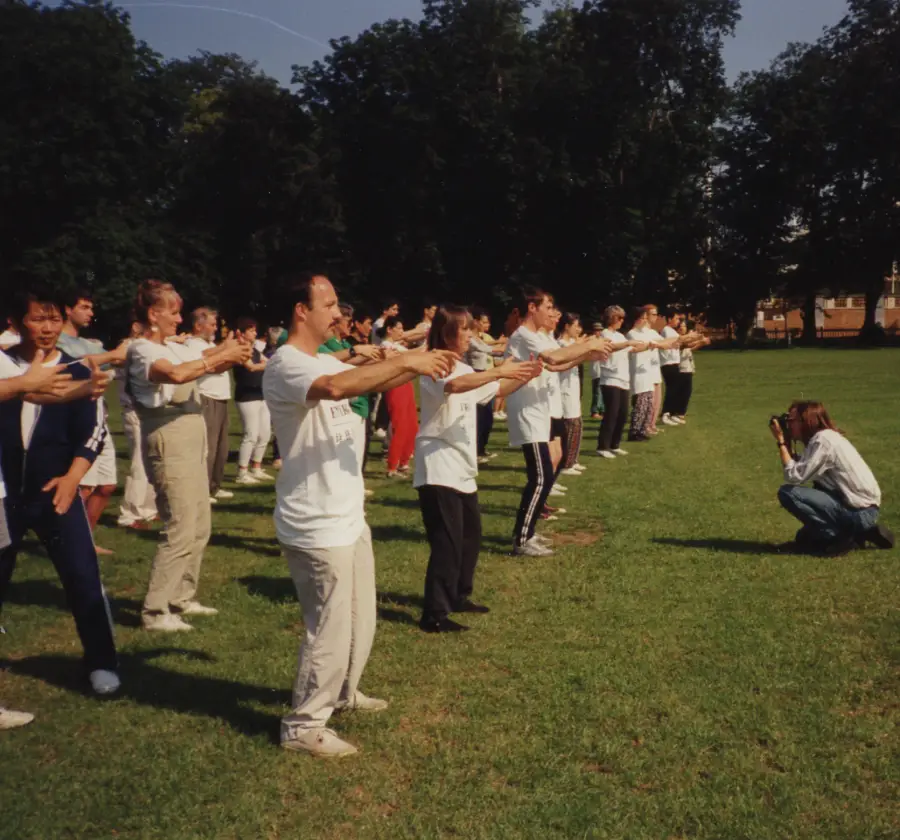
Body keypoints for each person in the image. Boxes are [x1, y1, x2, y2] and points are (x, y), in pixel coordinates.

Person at [263, 270, 455, 757]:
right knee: (328, 626)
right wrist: (410, 359)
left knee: (358, 618)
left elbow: (356, 371)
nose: (338, 312)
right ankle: (303, 725)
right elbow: (335, 387)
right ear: (300, 311)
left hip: (347, 512)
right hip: (316, 521)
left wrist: (410, 364)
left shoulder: (319, 355)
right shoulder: (288, 363)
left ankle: (344, 693)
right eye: (328, 304)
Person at [0, 287, 120, 695]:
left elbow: (95, 431)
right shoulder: (4, 368)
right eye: (37, 318)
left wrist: (73, 478)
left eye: (53, 319)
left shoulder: (79, 369)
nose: (47, 328)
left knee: (83, 576)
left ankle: (102, 662)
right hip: (5, 498)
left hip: (57, 491)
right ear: (16, 322)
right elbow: (27, 393)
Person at [126, 281, 250, 631]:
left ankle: (181, 596)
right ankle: (155, 610)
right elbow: (178, 374)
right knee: (180, 526)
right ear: (154, 314)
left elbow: (201, 362)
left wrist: (226, 352)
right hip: (170, 439)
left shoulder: (169, 346)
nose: (179, 319)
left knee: (199, 524)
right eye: (174, 312)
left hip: (192, 438)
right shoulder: (142, 351)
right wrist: (223, 355)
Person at [415, 305, 542, 633]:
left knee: (471, 536)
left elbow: (493, 391)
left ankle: (459, 594)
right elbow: (455, 387)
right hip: (438, 463)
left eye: (472, 329)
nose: (470, 335)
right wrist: (498, 370)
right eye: (465, 330)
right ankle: (435, 614)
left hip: (461, 466)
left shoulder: (462, 366)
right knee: (447, 540)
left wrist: (524, 374)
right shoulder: (435, 363)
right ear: (446, 333)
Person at [504, 288, 610, 557]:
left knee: (544, 475)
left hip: (538, 410)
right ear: (532, 307)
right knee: (541, 477)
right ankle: (521, 538)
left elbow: (554, 365)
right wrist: (589, 346)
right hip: (527, 411)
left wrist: (586, 354)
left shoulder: (535, 337)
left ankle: (526, 533)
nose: (552, 312)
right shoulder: (524, 336)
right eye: (547, 306)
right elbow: (553, 358)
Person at [58, 291, 130, 554]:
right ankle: (69, 541)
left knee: (107, 484)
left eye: (91, 308)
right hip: (78, 419)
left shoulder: (89, 343)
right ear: (68, 309)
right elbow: (76, 365)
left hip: (101, 417)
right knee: (85, 485)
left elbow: (117, 357)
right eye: (84, 307)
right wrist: (112, 356)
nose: (90, 313)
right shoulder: (58, 340)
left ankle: (85, 540)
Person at [771, 401, 894, 555]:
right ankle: (861, 533)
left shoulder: (824, 441)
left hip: (858, 511)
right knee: (803, 537)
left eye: (791, 421)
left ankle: (838, 538)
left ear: (806, 421)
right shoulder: (825, 438)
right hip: (859, 507)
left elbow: (794, 475)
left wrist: (781, 442)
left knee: (788, 493)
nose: (788, 425)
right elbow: (803, 466)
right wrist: (787, 444)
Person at [185, 308, 234, 503]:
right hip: (207, 397)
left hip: (221, 398)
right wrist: (228, 348)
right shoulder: (192, 343)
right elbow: (206, 359)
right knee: (209, 447)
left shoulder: (211, 344)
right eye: (212, 324)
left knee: (222, 447)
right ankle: (202, 490)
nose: (215, 328)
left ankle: (215, 485)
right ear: (198, 325)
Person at [116, 321, 158, 528]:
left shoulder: (145, 348)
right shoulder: (128, 347)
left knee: (150, 460)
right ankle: (129, 513)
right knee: (138, 462)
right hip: (133, 409)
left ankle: (148, 508)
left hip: (146, 410)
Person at [596, 306, 643, 457]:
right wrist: (628, 343)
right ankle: (603, 446)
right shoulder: (605, 333)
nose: (622, 321)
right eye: (620, 318)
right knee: (612, 412)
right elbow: (611, 347)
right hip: (610, 378)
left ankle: (615, 444)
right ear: (613, 318)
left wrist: (647, 345)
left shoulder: (620, 336)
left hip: (623, 378)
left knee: (623, 413)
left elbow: (629, 348)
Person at [232, 316, 273, 486]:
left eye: (255, 330)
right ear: (241, 333)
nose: (255, 333)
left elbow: (266, 362)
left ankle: (256, 467)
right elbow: (251, 366)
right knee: (251, 434)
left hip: (260, 395)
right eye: (251, 330)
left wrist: (269, 363)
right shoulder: (239, 349)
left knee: (265, 434)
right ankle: (242, 472)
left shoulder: (255, 350)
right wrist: (270, 364)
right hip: (247, 396)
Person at [378, 316, 419, 478]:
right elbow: (410, 356)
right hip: (395, 386)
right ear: (389, 329)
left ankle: (403, 462)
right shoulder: (386, 345)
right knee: (400, 426)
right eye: (399, 328)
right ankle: (392, 467)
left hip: (406, 385)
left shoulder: (396, 345)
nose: (402, 332)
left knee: (412, 425)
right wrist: (428, 345)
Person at [465, 307, 500, 462]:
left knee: (487, 417)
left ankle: (481, 448)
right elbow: (488, 349)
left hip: (485, 375)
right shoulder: (471, 339)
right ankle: (475, 451)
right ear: (476, 321)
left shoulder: (479, 337)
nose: (486, 324)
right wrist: (504, 347)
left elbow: (489, 347)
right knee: (479, 416)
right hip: (476, 375)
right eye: (483, 321)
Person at [556, 312, 588, 476]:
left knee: (577, 425)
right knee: (570, 425)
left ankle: (573, 460)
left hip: (574, 388)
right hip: (564, 389)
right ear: (567, 326)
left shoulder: (572, 344)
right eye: (576, 326)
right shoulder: (560, 344)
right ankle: (565, 462)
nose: (579, 329)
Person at [671, 320, 711, 423]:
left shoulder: (686, 338)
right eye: (680, 326)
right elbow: (685, 345)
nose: (682, 328)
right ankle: (676, 413)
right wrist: (699, 340)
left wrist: (701, 343)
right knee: (681, 393)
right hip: (681, 369)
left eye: (684, 326)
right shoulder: (676, 339)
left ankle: (680, 413)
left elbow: (691, 348)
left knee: (687, 392)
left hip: (688, 368)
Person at [658, 308, 685, 427]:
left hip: (674, 362)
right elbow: (676, 341)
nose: (678, 321)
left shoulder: (672, 331)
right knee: (672, 388)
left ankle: (673, 413)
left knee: (676, 388)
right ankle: (666, 413)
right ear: (669, 319)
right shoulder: (666, 330)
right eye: (676, 318)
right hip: (668, 363)